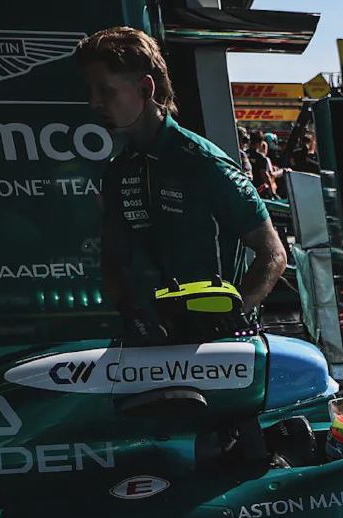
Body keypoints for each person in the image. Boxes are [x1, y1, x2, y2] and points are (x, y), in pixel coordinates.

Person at [80, 27, 285, 340]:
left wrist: (234, 315)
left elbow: (273, 254)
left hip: (220, 347)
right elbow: (112, 260)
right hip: (152, 342)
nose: (95, 102)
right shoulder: (116, 172)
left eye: (106, 91)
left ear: (145, 88)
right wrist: (133, 314)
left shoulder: (205, 163)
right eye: (91, 91)